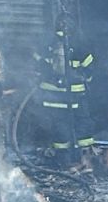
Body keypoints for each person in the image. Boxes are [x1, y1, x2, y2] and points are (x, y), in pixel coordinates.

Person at [34, 20, 96, 154]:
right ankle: (85, 157)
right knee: (83, 124)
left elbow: (37, 67)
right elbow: (89, 71)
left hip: (52, 98)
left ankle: (63, 159)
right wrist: (81, 79)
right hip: (76, 96)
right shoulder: (80, 45)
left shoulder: (46, 44)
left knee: (59, 128)